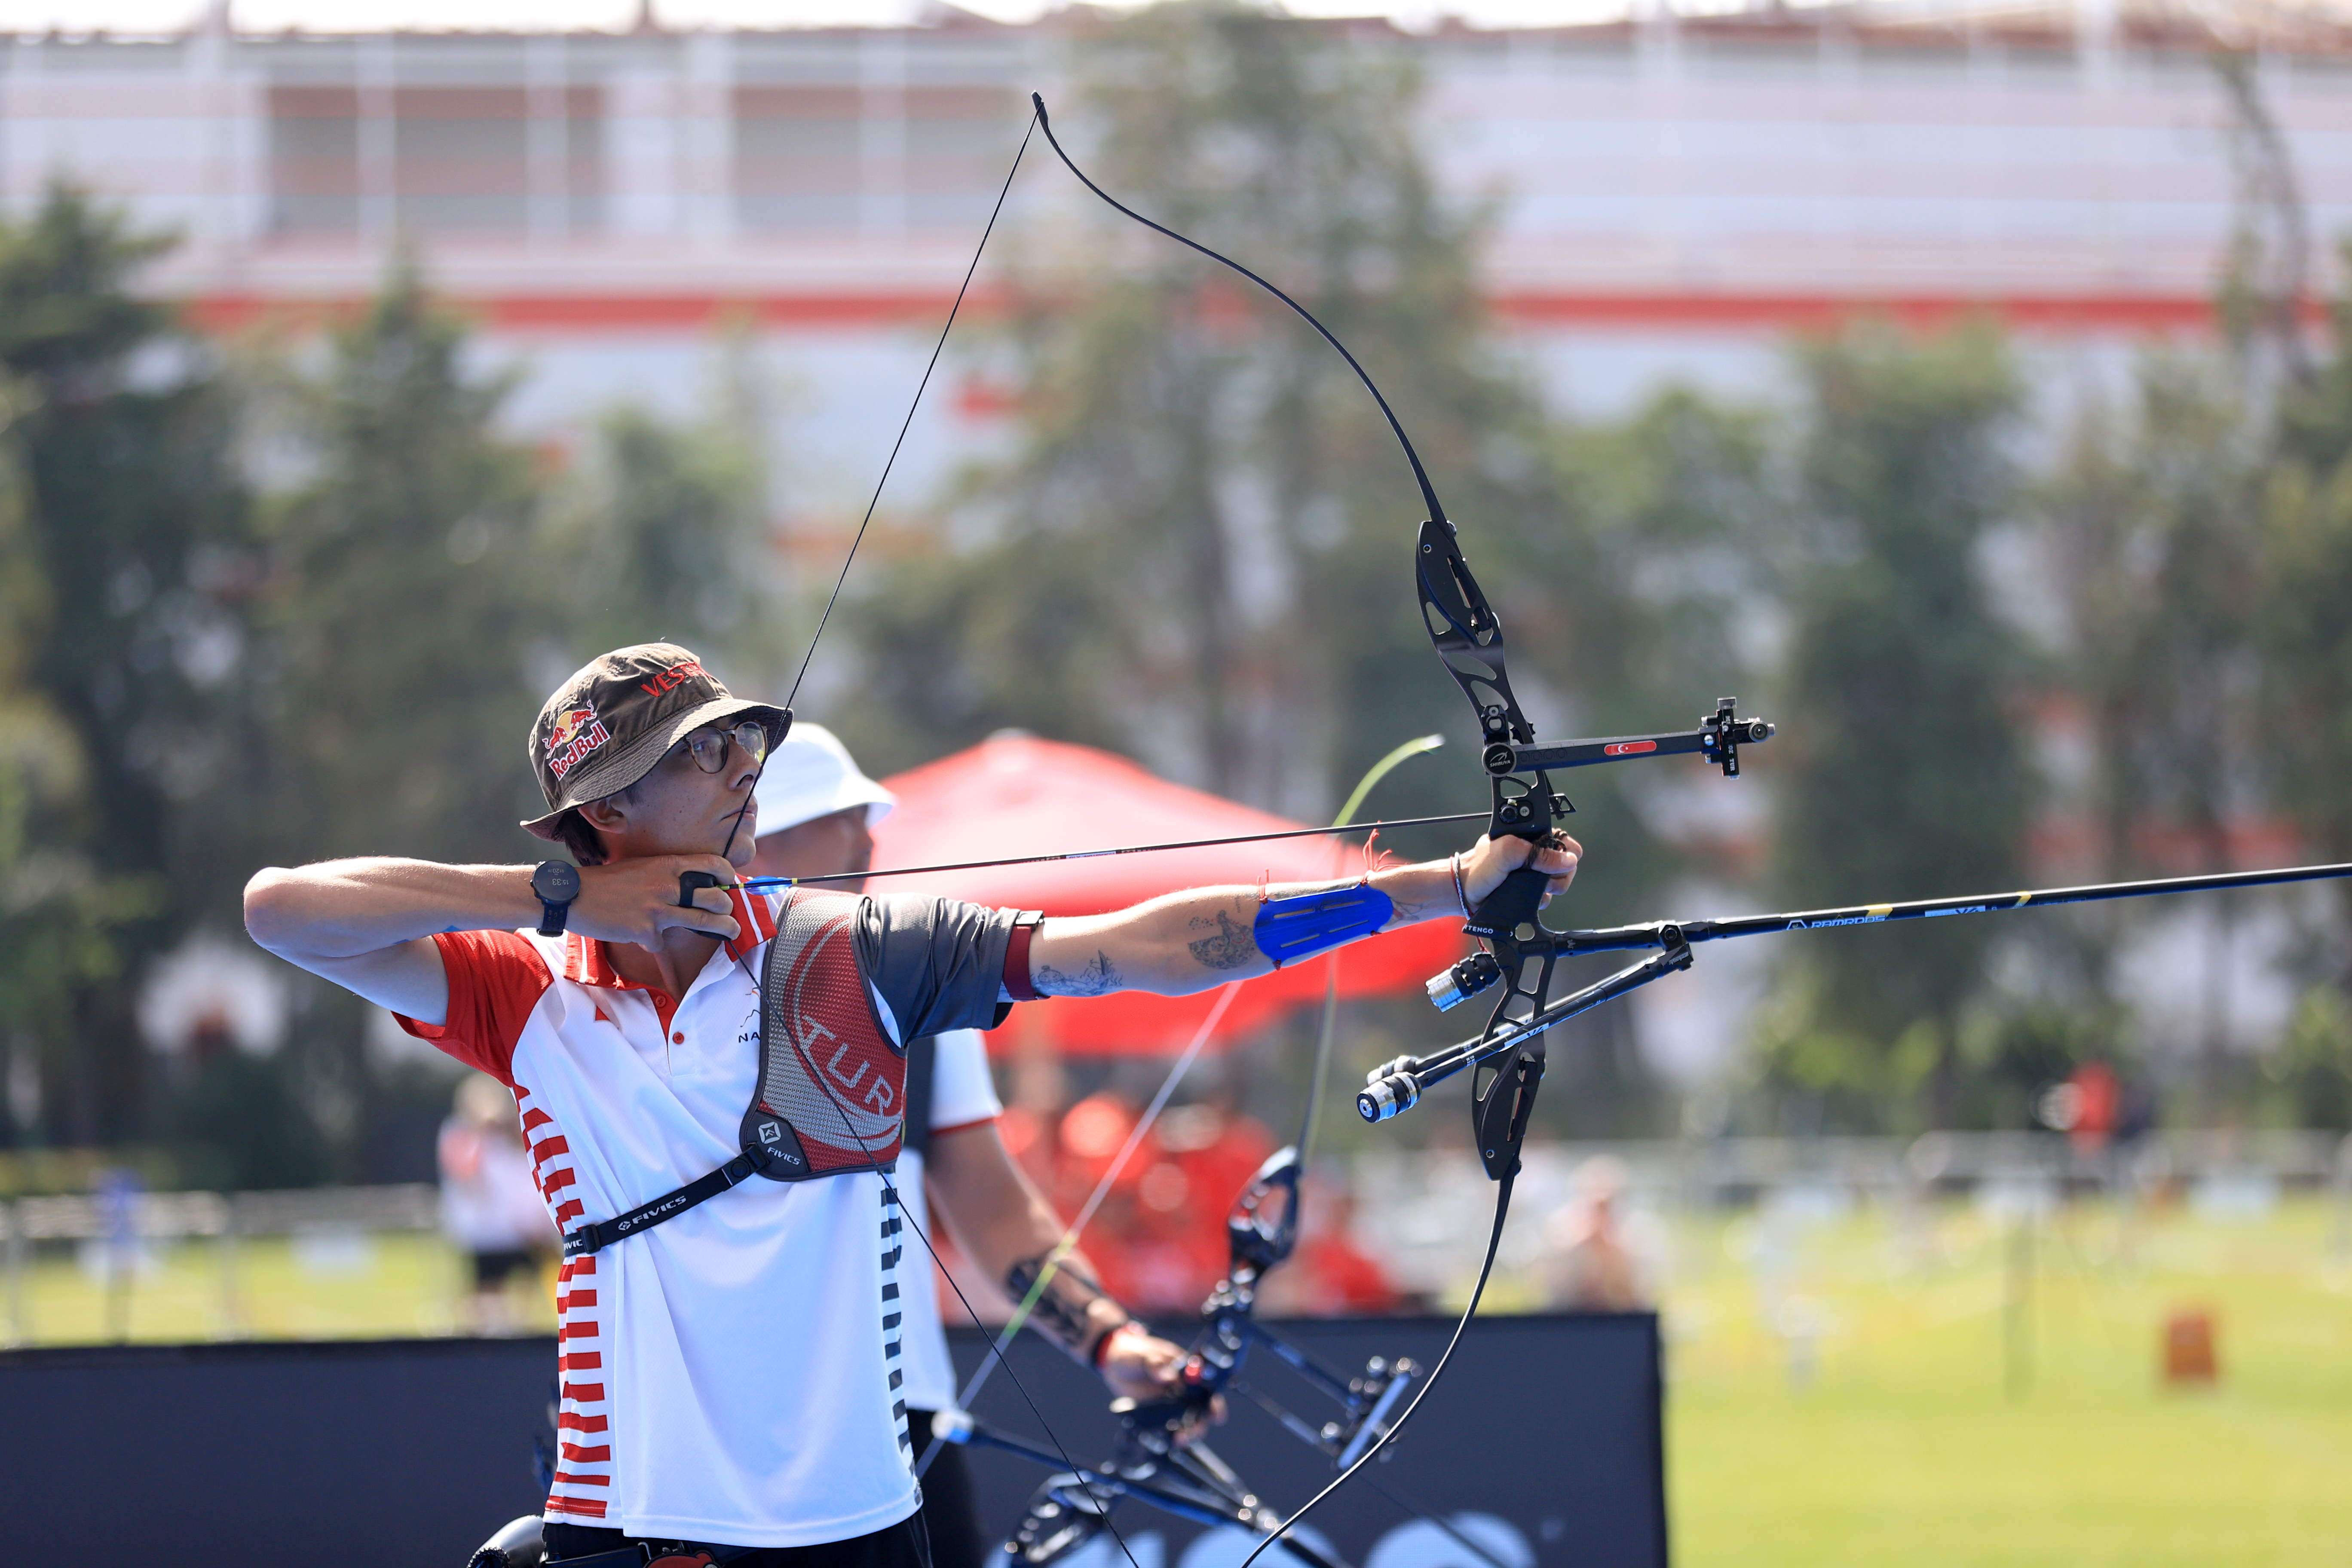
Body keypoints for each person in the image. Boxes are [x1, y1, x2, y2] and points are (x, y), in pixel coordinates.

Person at [241, 642, 1577, 1566]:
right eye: (705, 757)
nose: (744, 773)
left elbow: (1146, 943)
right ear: (607, 806)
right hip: (629, 1513)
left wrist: (1451, 887)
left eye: (741, 746)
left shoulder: (853, 947)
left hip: (857, 1517)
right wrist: (559, 900)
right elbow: (282, 909)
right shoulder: (529, 991)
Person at [744, 723, 1170, 1568]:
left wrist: (1108, 1339)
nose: (869, 840)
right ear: (758, 832)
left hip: (900, 1425)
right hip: (708, 1439)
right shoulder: (635, 993)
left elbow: (994, 1207)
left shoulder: (913, 988)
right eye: (845, 816)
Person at [438, 1071, 559, 1333]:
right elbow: (468, 1175)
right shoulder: (460, 1135)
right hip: (481, 1232)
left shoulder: (507, 1139)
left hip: (513, 1230)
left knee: (526, 1287)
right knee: (485, 1291)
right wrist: (481, 1134)